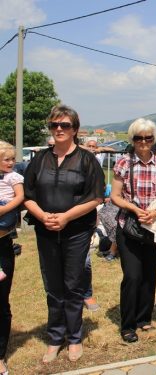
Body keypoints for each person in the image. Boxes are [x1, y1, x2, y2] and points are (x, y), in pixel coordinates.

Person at [24, 104, 105, 362]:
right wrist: (42, 216)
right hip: (45, 231)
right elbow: (28, 195)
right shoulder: (39, 159)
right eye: (54, 125)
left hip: (76, 232)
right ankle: (55, 337)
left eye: (64, 125)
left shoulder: (87, 159)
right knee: (52, 286)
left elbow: (95, 197)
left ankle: (74, 338)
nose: (59, 129)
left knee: (73, 284)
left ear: (75, 129)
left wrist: (67, 216)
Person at [110, 118, 156, 343]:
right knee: (132, 276)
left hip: (153, 227)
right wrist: (134, 209)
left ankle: (144, 319)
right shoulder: (124, 164)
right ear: (132, 140)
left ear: (154, 139)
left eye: (148, 137)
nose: (143, 142)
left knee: (149, 275)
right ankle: (127, 325)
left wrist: (155, 213)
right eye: (138, 138)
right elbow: (115, 196)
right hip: (129, 227)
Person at [0, 143, 23, 282]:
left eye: (13, 159)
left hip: (6, 209)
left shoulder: (14, 177)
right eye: (6, 159)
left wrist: (4, 209)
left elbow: (19, 196)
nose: (11, 162)